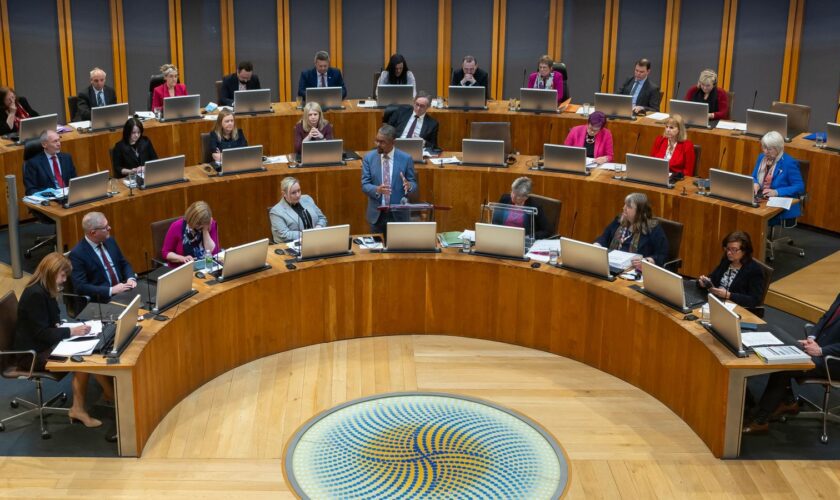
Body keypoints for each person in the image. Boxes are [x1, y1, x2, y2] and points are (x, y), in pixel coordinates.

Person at [14, 252, 113, 428]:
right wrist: (71, 331)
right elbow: (41, 334)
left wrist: (65, 328)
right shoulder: (35, 294)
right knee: (82, 360)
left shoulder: (45, 289)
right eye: (63, 275)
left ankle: (108, 395)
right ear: (52, 272)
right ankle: (82, 408)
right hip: (32, 354)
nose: (64, 280)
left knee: (89, 351)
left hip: (44, 344)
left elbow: (52, 321)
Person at [743, 290, 840, 435]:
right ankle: (787, 401)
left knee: (786, 366)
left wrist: (821, 350)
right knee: (782, 350)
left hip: (833, 361)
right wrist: (812, 337)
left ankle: (760, 420)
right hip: (819, 347)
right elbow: (826, 318)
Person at [69, 212, 137, 303]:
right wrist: (111, 290)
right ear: (93, 233)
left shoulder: (110, 241)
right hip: (102, 299)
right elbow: (81, 286)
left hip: (123, 291)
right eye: (105, 227)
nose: (109, 228)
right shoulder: (77, 254)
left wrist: (130, 278)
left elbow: (123, 263)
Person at [361, 124, 417, 235]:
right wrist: (377, 189)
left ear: (393, 142)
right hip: (377, 215)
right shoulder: (369, 158)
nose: (378, 144)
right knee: (377, 250)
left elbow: (413, 183)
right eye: (376, 140)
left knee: (399, 250)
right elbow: (365, 185)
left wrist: (409, 186)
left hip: (399, 215)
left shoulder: (406, 158)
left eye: (382, 142)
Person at [595, 192, 668, 268]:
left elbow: (662, 255)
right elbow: (604, 238)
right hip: (612, 265)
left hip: (635, 270)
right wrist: (597, 245)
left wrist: (647, 261)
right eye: (625, 204)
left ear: (640, 212)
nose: (624, 208)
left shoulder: (653, 229)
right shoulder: (619, 221)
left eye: (629, 206)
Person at [698, 231, 765, 308]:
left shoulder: (754, 270)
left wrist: (729, 295)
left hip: (736, 308)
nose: (729, 253)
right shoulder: (726, 261)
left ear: (744, 251)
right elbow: (713, 278)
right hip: (716, 301)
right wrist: (704, 283)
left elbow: (754, 300)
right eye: (728, 249)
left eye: (734, 249)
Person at [751, 131, 804, 224]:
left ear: (778, 148)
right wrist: (755, 183)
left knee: (755, 217)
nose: (765, 151)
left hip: (780, 203)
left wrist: (776, 192)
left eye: (769, 149)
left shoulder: (789, 163)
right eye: (764, 147)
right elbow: (754, 176)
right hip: (762, 198)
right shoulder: (761, 158)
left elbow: (799, 186)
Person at [269, 176, 328, 243]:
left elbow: (322, 218)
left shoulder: (307, 199)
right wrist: (307, 234)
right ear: (284, 194)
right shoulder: (276, 211)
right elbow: (284, 234)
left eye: (299, 190)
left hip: (314, 241)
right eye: (293, 193)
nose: (298, 195)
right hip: (290, 246)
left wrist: (319, 226)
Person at [162, 201, 220, 266]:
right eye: (198, 223)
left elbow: (214, 253)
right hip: (182, 268)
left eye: (202, 224)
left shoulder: (210, 225)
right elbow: (165, 253)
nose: (199, 227)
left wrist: (205, 230)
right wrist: (182, 258)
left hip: (205, 268)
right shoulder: (176, 226)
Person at [23, 130, 76, 195]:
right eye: (55, 141)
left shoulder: (67, 158)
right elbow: (31, 190)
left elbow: (74, 180)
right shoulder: (33, 163)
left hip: (68, 195)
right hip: (49, 199)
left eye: (59, 140)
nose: (59, 144)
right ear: (44, 144)